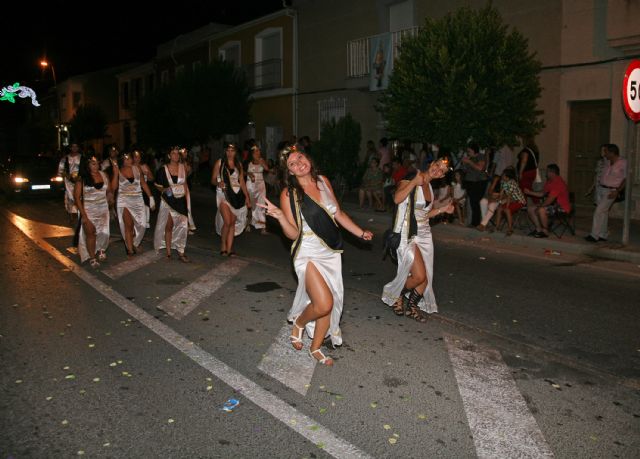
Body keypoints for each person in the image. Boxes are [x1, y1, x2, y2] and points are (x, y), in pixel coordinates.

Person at [258, 147, 373, 366]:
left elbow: (337, 213)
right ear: (290, 172)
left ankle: (315, 347)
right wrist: (281, 217)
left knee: (330, 303)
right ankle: (299, 323)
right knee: (323, 303)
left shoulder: (323, 181)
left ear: (308, 158)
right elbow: (292, 233)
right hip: (307, 252)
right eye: (292, 164)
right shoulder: (288, 193)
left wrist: (360, 232)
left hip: (329, 251)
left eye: (300, 157)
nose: (298, 163)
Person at [382, 158, 453, 323]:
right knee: (419, 276)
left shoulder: (429, 188)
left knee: (426, 276)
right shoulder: (412, 177)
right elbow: (397, 199)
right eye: (437, 166)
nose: (438, 170)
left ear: (442, 176)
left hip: (425, 235)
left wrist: (443, 209)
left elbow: (425, 214)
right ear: (431, 164)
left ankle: (412, 306)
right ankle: (396, 295)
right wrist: (414, 181)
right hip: (410, 233)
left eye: (442, 170)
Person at [112, 152, 155, 256]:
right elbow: (113, 187)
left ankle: (134, 243)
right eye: (126, 159)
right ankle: (130, 249)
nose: (128, 160)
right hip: (124, 200)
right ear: (122, 160)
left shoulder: (137, 169)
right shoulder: (119, 170)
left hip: (138, 199)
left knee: (143, 224)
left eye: (130, 158)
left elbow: (143, 184)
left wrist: (151, 197)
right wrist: (115, 173)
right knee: (128, 225)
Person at [212, 142, 251, 256]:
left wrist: (247, 197)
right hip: (223, 194)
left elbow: (242, 182)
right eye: (228, 150)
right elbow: (213, 180)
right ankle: (223, 245)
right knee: (227, 222)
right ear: (225, 151)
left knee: (232, 222)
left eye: (232, 150)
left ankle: (230, 248)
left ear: (235, 152)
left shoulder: (238, 164)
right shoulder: (220, 163)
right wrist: (218, 183)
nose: (230, 153)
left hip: (236, 195)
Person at [74, 155, 112, 267]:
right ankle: (92, 257)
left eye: (97, 163)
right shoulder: (82, 178)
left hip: (103, 209)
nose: (96, 166)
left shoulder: (104, 175)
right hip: (89, 210)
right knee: (91, 234)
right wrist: (84, 216)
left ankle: (101, 250)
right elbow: (77, 198)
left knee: (104, 232)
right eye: (93, 164)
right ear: (87, 165)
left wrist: (110, 196)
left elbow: (109, 190)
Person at [153, 146, 191, 262]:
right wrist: (165, 190)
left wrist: (187, 200)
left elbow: (185, 182)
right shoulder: (163, 169)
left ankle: (181, 251)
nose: (175, 156)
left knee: (183, 226)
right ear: (169, 156)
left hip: (180, 200)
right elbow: (157, 185)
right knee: (169, 226)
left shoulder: (183, 167)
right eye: (173, 153)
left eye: (177, 154)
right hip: (168, 201)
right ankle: (169, 252)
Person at [585, 143, 627, 242]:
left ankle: (594, 235)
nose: (604, 154)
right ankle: (603, 234)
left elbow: (626, 178)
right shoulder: (607, 161)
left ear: (612, 153)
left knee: (599, 211)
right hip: (601, 188)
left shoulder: (623, 162)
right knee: (603, 212)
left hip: (612, 190)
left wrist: (617, 191)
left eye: (606, 152)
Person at [524, 164, 571, 238]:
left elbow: (550, 199)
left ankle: (545, 231)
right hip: (553, 205)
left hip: (562, 207)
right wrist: (530, 192)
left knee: (541, 210)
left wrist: (540, 206)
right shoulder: (549, 181)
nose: (546, 173)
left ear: (552, 172)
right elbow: (542, 194)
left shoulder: (558, 182)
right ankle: (538, 229)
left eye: (547, 171)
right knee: (530, 208)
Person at [477, 167, 526, 235]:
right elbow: (502, 193)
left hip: (518, 200)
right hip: (511, 199)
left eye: (503, 174)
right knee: (500, 208)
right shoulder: (503, 181)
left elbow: (509, 196)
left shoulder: (512, 183)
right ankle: (497, 226)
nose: (501, 175)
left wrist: (506, 206)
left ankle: (510, 228)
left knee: (507, 210)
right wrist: (497, 199)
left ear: (507, 177)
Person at [461, 143, 488, 226]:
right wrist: (464, 163)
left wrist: (469, 161)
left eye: (469, 150)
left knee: (475, 202)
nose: (468, 152)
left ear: (473, 150)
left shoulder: (480, 156)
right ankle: (474, 222)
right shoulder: (470, 158)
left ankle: (476, 222)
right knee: (472, 203)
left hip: (479, 182)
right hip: (470, 182)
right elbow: (465, 170)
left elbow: (480, 168)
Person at [246, 145, 270, 234]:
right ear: (252, 153)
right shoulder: (248, 161)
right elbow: (241, 171)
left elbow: (267, 169)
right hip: (250, 185)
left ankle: (263, 227)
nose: (258, 152)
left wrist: (262, 162)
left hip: (260, 185)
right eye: (256, 151)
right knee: (251, 205)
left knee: (262, 205)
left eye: (259, 151)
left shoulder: (261, 160)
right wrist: (249, 174)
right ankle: (248, 224)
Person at [57, 143, 82, 216]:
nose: (74, 148)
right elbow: (60, 171)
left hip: (79, 180)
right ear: (70, 148)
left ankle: (80, 212)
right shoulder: (65, 159)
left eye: (76, 146)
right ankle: (71, 214)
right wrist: (66, 176)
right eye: (73, 146)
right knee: (70, 196)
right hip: (68, 181)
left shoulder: (82, 158)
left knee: (80, 196)